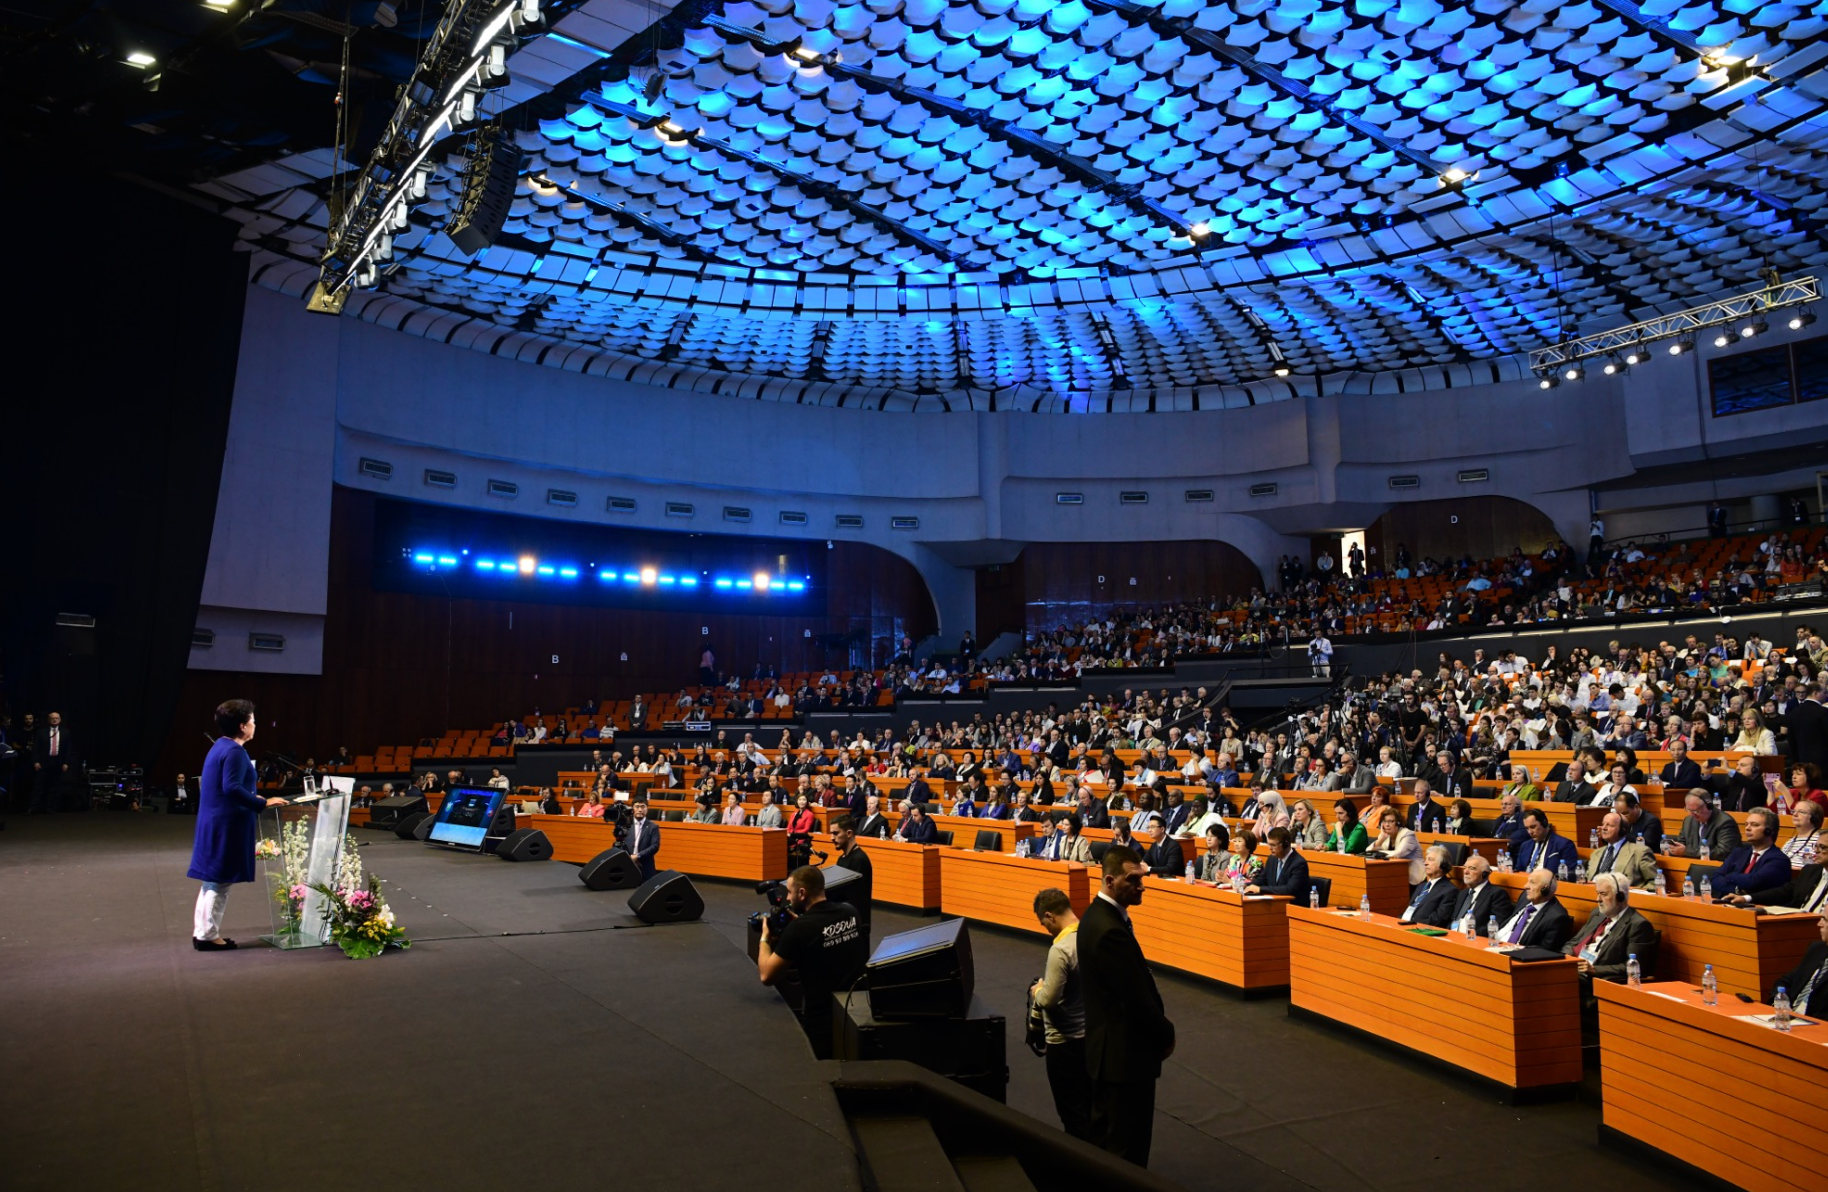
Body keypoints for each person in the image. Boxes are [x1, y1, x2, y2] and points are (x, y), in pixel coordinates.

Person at [1078, 847, 1175, 1166]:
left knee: (1107, 1141)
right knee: (1125, 1150)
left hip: (1109, 1054)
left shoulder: (1097, 916)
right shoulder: (1108, 931)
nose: (1141, 885)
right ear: (1109, 880)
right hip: (1123, 1058)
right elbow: (1134, 998)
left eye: (1142, 878)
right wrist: (1165, 1033)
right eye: (1132, 879)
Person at [187, 700, 288, 951]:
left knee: (212, 881)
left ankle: (203, 932)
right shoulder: (234, 751)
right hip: (226, 823)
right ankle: (208, 936)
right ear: (242, 726)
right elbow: (231, 787)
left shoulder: (222, 746)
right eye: (253, 721)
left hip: (217, 820)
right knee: (219, 882)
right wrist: (261, 803)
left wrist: (257, 800)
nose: (256, 725)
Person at [756, 865, 867, 1059]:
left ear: (802, 892)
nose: (788, 898)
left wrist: (764, 939)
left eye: (790, 893)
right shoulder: (851, 912)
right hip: (855, 1013)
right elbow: (822, 933)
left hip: (821, 1021)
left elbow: (766, 975)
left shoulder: (800, 929)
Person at [1030, 887, 1090, 1140]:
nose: (1045, 928)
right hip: (1089, 1037)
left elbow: (1050, 1000)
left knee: (1072, 1112)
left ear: (1050, 916)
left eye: (1043, 922)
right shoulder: (1089, 936)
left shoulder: (1060, 949)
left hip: (1063, 1043)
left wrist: (1037, 991)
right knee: (1089, 1105)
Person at [1564, 872, 1660, 995]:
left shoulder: (1638, 925)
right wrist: (1564, 959)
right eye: (1597, 893)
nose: (1598, 899)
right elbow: (1574, 942)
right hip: (1574, 968)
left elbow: (1634, 966)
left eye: (1603, 894)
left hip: (1594, 979)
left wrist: (1594, 969)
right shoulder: (1597, 914)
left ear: (1620, 897)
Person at [1708, 808, 1792, 899]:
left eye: (1754, 825)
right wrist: (1737, 890)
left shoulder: (1779, 859)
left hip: (1758, 907)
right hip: (1727, 902)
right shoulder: (1738, 853)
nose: (1747, 828)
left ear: (1769, 831)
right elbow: (1715, 878)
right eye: (1746, 824)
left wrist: (1729, 876)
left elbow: (1753, 882)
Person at [1493, 868, 1575, 950]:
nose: (1525, 886)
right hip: (1494, 944)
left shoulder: (1557, 917)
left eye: (1532, 882)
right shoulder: (1525, 898)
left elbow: (1546, 950)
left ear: (1545, 889)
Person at [1771, 909, 1828, 1016]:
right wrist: (1782, 1004)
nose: (1819, 924)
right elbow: (1785, 981)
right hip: (1788, 1018)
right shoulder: (1817, 949)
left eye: (1824, 919)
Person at [1585, 812, 1658, 889]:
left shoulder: (1640, 852)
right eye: (1603, 824)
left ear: (1622, 830)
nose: (1603, 828)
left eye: (1610, 825)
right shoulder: (1596, 853)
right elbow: (1586, 878)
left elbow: (1655, 882)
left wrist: (1635, 894)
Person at [829, 815, 873, 939]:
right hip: (843, 921)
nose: (832, 838)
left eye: (836, 833)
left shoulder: (859, 860)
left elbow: (855, 897)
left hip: (855, 925)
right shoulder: (841, 859)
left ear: (849, 833)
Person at [1665, 791, 1742, 860]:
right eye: (1689, 810)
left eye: (1696, 811)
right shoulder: (1688, 820)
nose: (1693, 815)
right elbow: (1682, 843)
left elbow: (1723, 852)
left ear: (1709, 806)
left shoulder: (1725, 822)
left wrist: (1686, 851)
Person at [1448, 854, 1512, 935]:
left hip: (1474, 939)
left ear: (1484, 874)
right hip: (1452, 936)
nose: (1466, 872)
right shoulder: (1462, 893)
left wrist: (1472, 934)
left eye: (1472, 868)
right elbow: (1452, 919)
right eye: (1465, 868)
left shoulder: (1497, 894)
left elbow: (1498, 924)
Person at [1399, 845, 1458, 926]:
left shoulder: (1449, 891)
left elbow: (1438, 919)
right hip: (1404, 924)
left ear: (1442, 865)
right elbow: (1410, 909)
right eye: (1426, 859)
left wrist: (1413, 925)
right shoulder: (1421, 886)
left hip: (1420, 930)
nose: (1425, 863)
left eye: (1430, 860)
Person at [1511, 807, 1579, 876]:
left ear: (1544, 823)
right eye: (1527, 828)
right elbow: (1518, 871)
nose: (1530, 832)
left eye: (1533, 827)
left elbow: (1571, 873)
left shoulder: (1563, 844)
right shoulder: (1525, 846)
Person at [1247, 827, 1310, 900]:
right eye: (1268, 844)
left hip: (1293, 906)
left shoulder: (1299, 863)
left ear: (1285, 844)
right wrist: (1246, 885)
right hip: (1275, 903)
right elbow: (1262, 879)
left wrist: (1260, 889)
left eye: (1273, 845)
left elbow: (1290, 889)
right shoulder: (1272, 859)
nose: (1269, 848)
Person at [1364, 808, 1423, 886]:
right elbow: (1368, 852)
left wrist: (1378, 854)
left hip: (1413, 879)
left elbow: (1398, 854)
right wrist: (1380, 839)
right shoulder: (1385, 836)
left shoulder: (1408, 835)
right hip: (1395, 876)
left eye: (1391, 821)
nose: (1387, 825)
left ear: (1398, 823)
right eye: (1384, 821)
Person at [30, 710, 71, 814]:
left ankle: (50, 808)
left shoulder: (66, 732)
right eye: (52, 718)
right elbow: (36, 748)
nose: (54, 720)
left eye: (56, 718)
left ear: (60, 720)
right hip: (43, 762)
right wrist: (36, 761)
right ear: (48, 719)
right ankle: (33, 809)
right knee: (38, 786)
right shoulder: (41, 732)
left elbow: (68, 749)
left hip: (57, 762)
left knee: (54, 786)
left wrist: (66, 763)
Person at [625, 799, 661, 879]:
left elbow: (655, 846)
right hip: (627, 865)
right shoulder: (626, 825)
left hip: (646, 867)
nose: (640, 810)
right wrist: (629, 858)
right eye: (637, 807)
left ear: (647, 809)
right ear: (632, 809)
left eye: (643, 807)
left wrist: (638, 856)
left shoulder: (653, 827)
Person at [1782, 801, 1824, 867]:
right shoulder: (1789, 843)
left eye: (1801, 812)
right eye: (1794, 811)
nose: (1795, 814)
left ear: (1814, 817)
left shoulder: (1822, 841)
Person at [786, 793, 818, 868]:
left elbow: (806, 829)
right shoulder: (793, 814)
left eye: (804, 800)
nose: (802, 802)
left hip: (800, 838)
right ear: (797, 802)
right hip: (790, 836)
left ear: (807, 802)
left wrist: (793, 835)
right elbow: (789, 827)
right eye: (800, 800)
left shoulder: (809, 814)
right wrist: (788, 833)